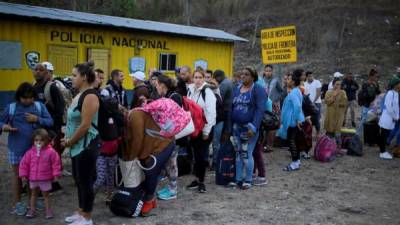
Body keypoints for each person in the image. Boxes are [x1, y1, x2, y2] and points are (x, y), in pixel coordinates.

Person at [0, 82, 53, 216]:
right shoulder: (11, 108)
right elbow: (0, 121)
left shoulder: (38, 106)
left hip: (36, 151)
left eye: (31, 97)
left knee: (33, 177)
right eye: (25, 98)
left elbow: (50, 121)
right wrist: (4, 127)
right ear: (19, 97)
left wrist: (37, 119)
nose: (28, 100)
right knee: (17, 176)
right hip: (16, 148)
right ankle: (17, 204)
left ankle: (32, 203)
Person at [61, 61, 100, 225]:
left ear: (84, 77)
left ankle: (87, 217)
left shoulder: (90, 95)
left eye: (74, 75)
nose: (71, 78)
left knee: (85, 182)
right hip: (77, 145)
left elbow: (85, 125)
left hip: (86, 145)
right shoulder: (79, 93)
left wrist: (69, 141)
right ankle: (81, 211)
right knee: (78, 180)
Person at [124, 109, 175, 216]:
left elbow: (137, 140)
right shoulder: (133, 116)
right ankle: (150, 199)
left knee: (151, 171)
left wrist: (131, 158)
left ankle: (148, 200)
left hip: (165, 143)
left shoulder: (134, 116)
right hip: (156, 143)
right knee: (149, 170)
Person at [231, 67, 266, 189]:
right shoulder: (237, 89)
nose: (243, 76)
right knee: (238, 153)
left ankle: (248, 180)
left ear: (253, 77)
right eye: (242, 74)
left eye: (246, 74)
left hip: (249, 128)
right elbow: (232, 106)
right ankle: (238, 179)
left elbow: (260, 109)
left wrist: (254, 127)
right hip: (236, 126)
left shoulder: (258, 89)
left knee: (246, 153)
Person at [33, 63, 66, 190]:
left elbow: (60, 108)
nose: (38, 72)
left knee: (51, 157)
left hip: (51, 129)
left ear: (47, 73)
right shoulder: (33, 87)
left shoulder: (51, 88)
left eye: (41, 70)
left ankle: (53, 184)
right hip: (38, 129)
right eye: (35, 70)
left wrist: (54, 130)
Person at [154, 74, 185, 200]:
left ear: (162, 85)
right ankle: (170, 187)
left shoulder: (174, 96)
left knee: (171, 163)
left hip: (175, 136)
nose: (155, 87)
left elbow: (173, 117)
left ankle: (173, 190)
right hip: (169, 136)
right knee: (167, 163)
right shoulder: (168, 96)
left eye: (156, 85)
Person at [19, 129, 61, 219]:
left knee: (46, 195)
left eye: (41, 140)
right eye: (36, 140)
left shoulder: (51, 152)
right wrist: (23, 175)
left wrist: (56, 174)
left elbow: (56, 163)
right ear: (33, 141)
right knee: (33, 194)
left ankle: (48, 210)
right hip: (33, 178)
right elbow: (24, 164)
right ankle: (32, 209)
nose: (38, 142)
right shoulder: (30, 152)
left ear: (46, 140)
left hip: (45, 178)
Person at [186, 68, 217, 193]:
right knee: (195, 155)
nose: (198, 80)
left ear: (204, 78)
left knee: (202, 156)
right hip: (194, 129)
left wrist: (206, 131)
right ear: (193, 78)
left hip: (205, 129)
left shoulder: (207, 92)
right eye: (196, 77)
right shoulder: (190, 90)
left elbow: (211, 113)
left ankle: (202, 182)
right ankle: (197, 179)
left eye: (200, 77)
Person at [278, 69, 305, 171]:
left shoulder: (294, 92)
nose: (287, 81)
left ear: (293, 81)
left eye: (289, 79)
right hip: (293, 121)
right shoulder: (297, 91)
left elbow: (297, 107)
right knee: (294, 141)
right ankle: (297, 161)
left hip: (292, 122)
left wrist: (296, 119)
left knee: (292, 142)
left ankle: (294, 163)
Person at [257, 65, 285, 152]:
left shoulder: (276, 80)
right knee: (262, 123)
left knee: (271, 125)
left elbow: (282, 92)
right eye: (266, 70)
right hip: (262, 105)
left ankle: (269, 145)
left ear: (272, 72)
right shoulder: (260, 81)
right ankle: (262, 144)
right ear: (264, 71)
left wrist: (275, 99)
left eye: (269, 71)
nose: (268, 72)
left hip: (273, 106)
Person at [213, 70, 234, 164]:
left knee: (225, 133)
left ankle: (221, 156)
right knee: (225, 132)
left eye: (215, 78)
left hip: (226, 111)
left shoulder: (224, 84)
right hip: (228, 110)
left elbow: (217, 98)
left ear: (219, 77)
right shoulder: (228, 82)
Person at [378, 77, 400, 159]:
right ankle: (382, 152)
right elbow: (388, 107)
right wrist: (395, 116)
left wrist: (397, 116)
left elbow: (396, 107)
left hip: (392, 118)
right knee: (383, 134)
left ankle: (383, 150)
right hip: (387, 117)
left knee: (386, 134)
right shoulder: (390, 93)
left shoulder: (396, 93)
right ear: (395, 85)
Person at [324, 78, 348, 149]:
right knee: (329, 134)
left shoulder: (343, 92)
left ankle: (338, 149)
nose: (338, 86)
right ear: (333, 85)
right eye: (337, 84)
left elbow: (344, 103)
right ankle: (327, 149)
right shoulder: (328, 92)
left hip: (339, 116)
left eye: (340, 84)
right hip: (330, 117)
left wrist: (337, 100)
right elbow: (327, 102)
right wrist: (334, 96)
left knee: (338, 134)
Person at [356, 69, 381, 136]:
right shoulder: (366, 84)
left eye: (377, 76)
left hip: (374, 107)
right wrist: (371, 96)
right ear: (371, 76)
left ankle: (368, 136)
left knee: (373, 122)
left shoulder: (376, 84)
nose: (376, 78)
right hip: (366, 105)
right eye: (375, 76)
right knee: (363, 121)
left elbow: (378, 93)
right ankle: (357, 135)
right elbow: (364, 95)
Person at [304, 71, 322, 137]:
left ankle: (318, 133)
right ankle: (310, 134)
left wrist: (313, 102)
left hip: (316, 103)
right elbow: (305, 94)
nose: (311, 77)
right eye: (309, 76)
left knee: (316, 119)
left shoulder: (317, 82)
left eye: (311, 76)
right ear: (306, 77)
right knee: (309, 119)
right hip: (308, 105)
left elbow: (318, 93)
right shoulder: (304, 84)